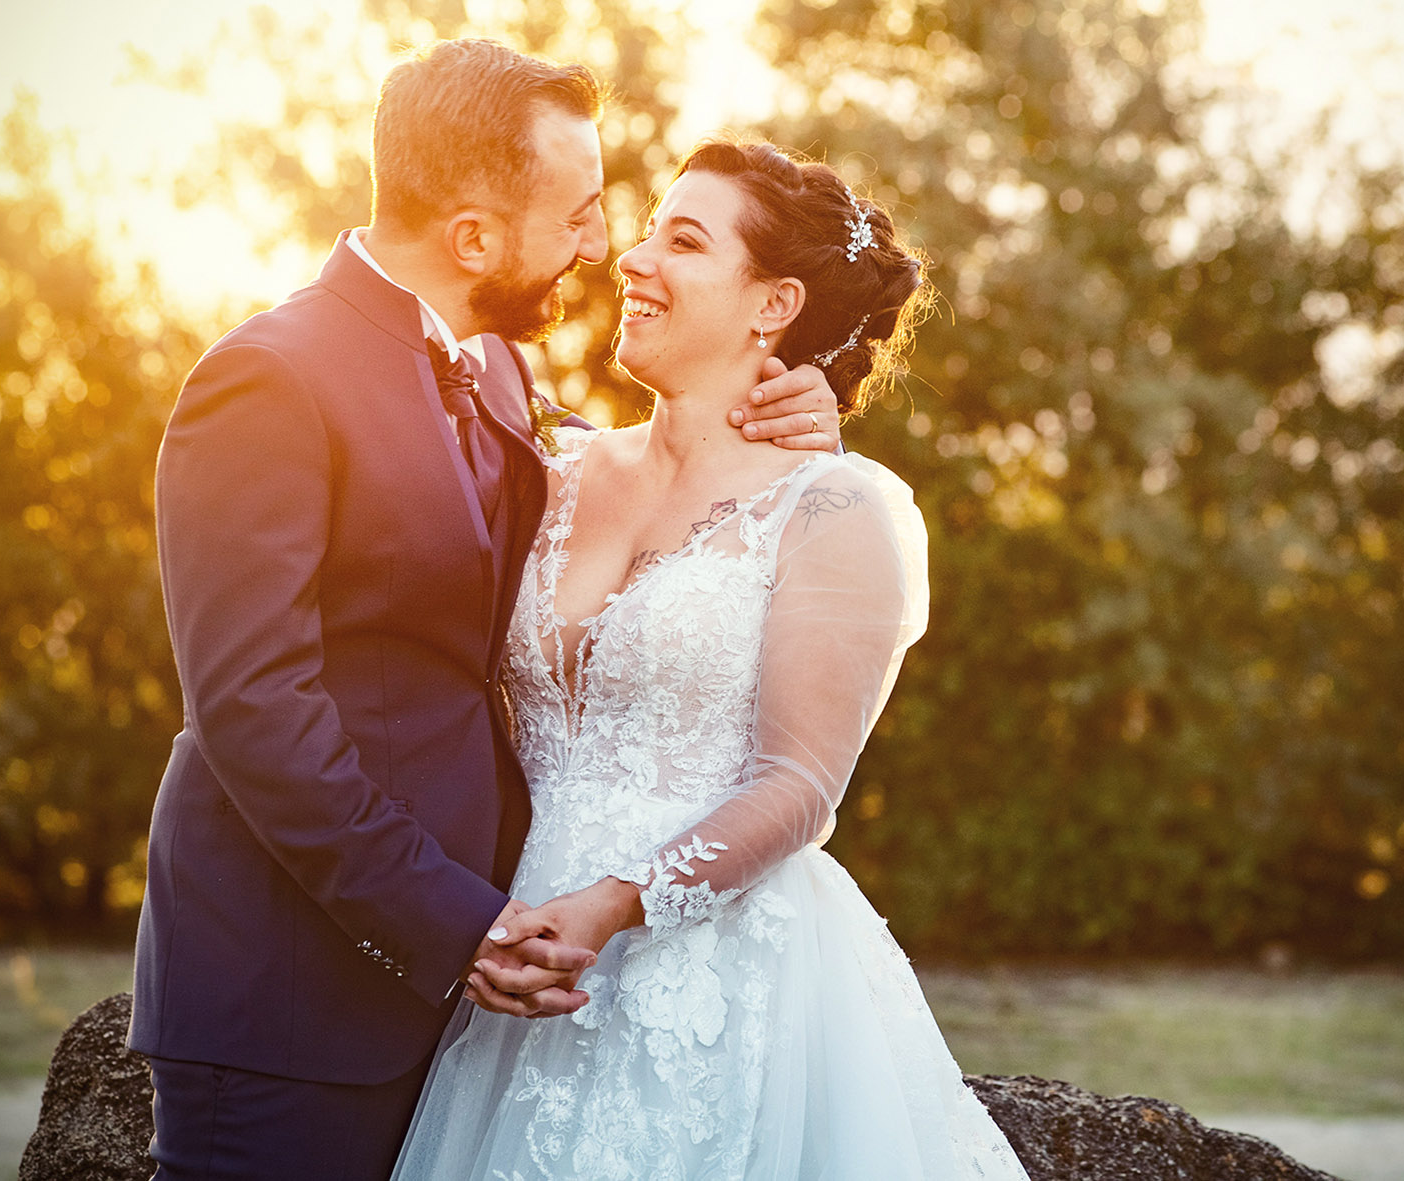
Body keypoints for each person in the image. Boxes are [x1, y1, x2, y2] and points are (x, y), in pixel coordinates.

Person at [128, 41, 844, 1180]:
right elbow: (254, 709)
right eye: (576, 214)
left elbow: (627, 502)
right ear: (472, 236)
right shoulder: (265, 379)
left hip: (456, 1003)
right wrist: (456, 923)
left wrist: (790, 399)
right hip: (290, 991)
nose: (600, 246)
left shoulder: (498, 373)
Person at [390, 138, 1029, 1180]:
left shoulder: (832, 506)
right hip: (520, 956)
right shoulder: (545, 470)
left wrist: (609, 903)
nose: (632, 260)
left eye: (681, 241)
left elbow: (800, 786)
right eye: (645, 231)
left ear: (771, 305)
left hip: (719, 981)